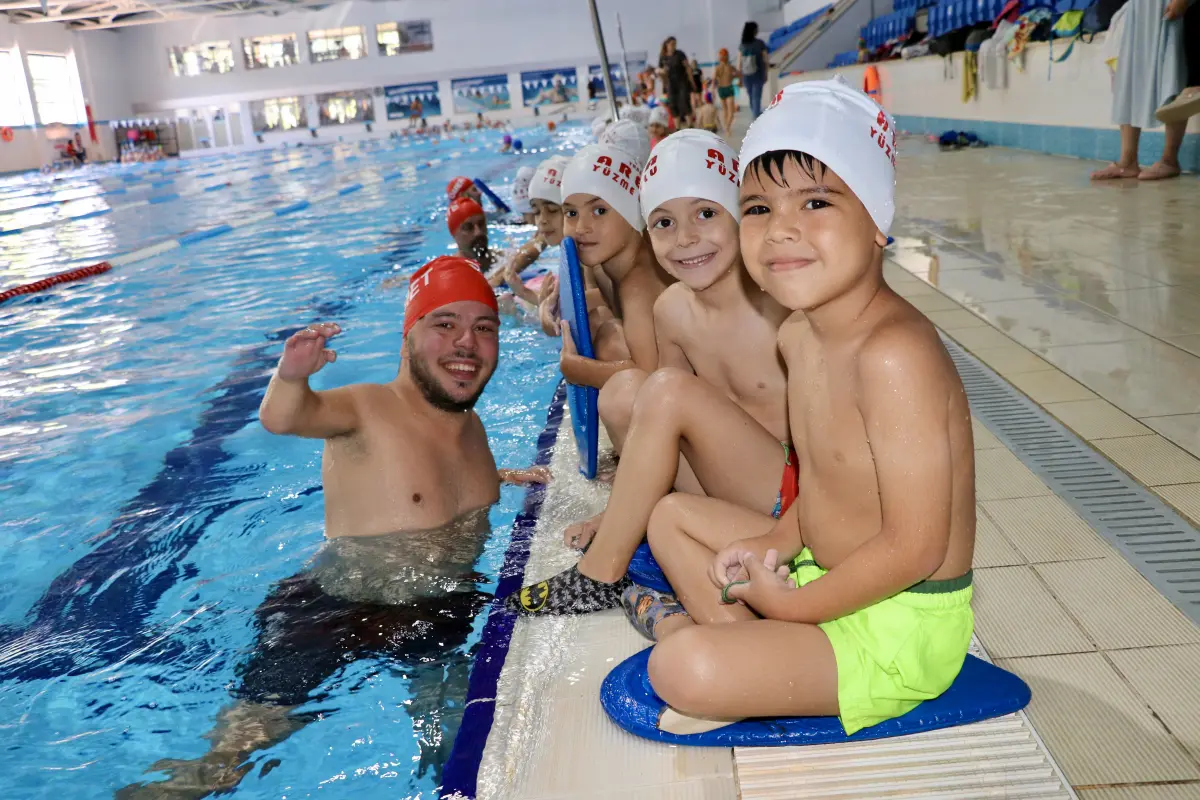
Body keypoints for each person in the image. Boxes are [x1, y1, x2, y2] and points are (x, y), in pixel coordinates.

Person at [120, 257, 550, 798]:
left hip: (440, 609)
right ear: (408, 336)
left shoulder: (474, 428)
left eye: (483, 328)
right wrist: (292, 375)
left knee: (464, 756)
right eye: (445, 324)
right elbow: (285, 417)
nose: (466, 342)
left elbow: (439, 481)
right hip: (333, 607)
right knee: (226, 762)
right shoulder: (367, 406)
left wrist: (510, 477)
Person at [638, 79, 976, 742]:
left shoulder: (894, 355)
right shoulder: (798, 335)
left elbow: (917, 547)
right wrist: (772, 545)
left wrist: (792, 606)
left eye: (816, 201)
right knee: (671, 517)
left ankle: (751, 656)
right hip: (824, 574)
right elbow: (822, 484)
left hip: (899, 622)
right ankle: (758, 658)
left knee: (679, 668)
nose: (782, 229)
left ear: (878, 220)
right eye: (759, 208)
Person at [506, 131, 791, 615]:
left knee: (667, 389)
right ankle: (633, 537)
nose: (686, 239)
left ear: (741, 211)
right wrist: (616, 514)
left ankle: (602, 573)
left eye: (706, 213)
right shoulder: (672, 309)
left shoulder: (780, 303)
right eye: (663, 221)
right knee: (627, 393)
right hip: (720, 494)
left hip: (790, 496)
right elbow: (659, 432)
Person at [554, 141, 672, 392]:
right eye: (571, 213)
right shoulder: (611, 262)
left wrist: (579, 370)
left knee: (609, 342)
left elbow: (649, 374)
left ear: (632, 212)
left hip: (686, 391)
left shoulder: (639, 283)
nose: (581, 227)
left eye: (599, 210)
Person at [1092, 0, 1195, 180]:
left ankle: (1169, 160)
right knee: (1129, 76)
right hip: (1138, 7)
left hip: (1168, 4)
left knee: (1171, 73)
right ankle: (1127, 161)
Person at [501, 155, 571, 308]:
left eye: (552, 210)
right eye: (537, 211)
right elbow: (565, 308)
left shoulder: (588, 262)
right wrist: (522, 291)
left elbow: (572, 312)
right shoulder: (569, 254)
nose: (542, 220)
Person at [662, 37, 697, 127]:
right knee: (673, 105)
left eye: (675, 44)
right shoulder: (663, 57)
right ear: (667, 45)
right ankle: (677, 128)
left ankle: (690, 126)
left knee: (685, 103)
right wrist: (664, 83)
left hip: (682, 83)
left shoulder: (680, 54)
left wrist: (692, 82)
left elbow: (688, 68)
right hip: (671, 85)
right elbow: (662, 73)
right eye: (672, 44)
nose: (674, 46)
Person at [739, 22, 769, 119]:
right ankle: (756, 117)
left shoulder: (742, 45)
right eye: (756, 29)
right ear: (753, 31)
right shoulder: (760, 43)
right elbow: (765, 59)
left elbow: (739, 63)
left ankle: (755, 114)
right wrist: (766, 72)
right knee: (757, 97)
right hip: (758, 74)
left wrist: (740, 77)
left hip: (746, 75)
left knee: (751, 97)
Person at [714, 48, 738, 136]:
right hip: (723, 89)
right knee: (726, 111)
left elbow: (738, 74)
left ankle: (727, 127)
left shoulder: (730, 67)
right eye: (722, 55)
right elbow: (713, 80)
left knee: (730, 112)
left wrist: (737, 78)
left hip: (727, 89)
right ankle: (727, 129)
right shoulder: (719, 67)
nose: (723, 57)